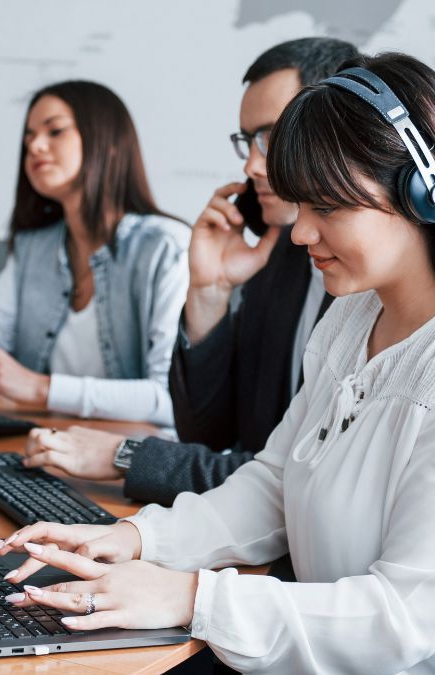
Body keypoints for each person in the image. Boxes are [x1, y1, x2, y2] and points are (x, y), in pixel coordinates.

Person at [0, 53, 435, 673]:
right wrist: (134, 539)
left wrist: (190, 596)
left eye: (328, 208)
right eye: (300, 206)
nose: (299, 233)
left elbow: (401, 618)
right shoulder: (352, 318)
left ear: (422, 194)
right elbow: (275, 485)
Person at [22, 38, 358, 504]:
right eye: (247, 141)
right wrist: (209, 292)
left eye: (272, 136)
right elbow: (209, 432)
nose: (251, 164)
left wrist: (126, 456)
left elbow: (295, 484)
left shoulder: (375, 291)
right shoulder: (279, 256)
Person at [0, 80, 188, 427]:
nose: (35, 146)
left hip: (127, 452)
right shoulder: (34, 245)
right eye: (29, 137)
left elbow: (169, 399)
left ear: (109, 142)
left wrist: (39, 388)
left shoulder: (166, 247)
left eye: (55, 131)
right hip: (45, 442)